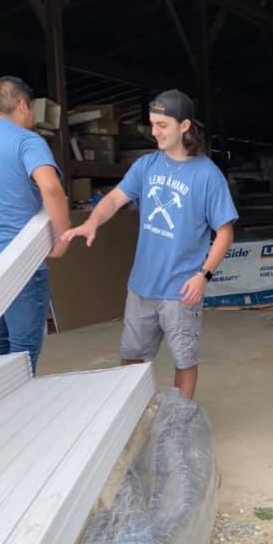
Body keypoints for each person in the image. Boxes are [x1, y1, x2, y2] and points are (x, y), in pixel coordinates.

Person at [60, 88, 237, 400]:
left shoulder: (207, 175)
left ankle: (180, 419)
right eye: (152, 124)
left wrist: (204, 275)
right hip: (142, 286)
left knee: (184, 360)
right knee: (131, 359)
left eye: (162, 125)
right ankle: (134, 413)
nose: (155, 132)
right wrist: (92, 222)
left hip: (181, 290)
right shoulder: (146, 166)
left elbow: (225, 233)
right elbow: (114, 199)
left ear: (184, 125)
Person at [0, 75, 71, 372]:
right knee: (23, 352)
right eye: (32, 108)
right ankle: (16, 402)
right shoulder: (27, 140)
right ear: (22, 105)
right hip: (18, 261)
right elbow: (51, 188)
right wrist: (63, 238)